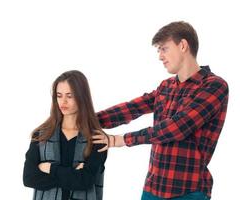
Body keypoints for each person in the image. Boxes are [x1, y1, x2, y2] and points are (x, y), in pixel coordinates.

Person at [93, 21, 229, 200]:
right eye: (158, 50)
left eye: (164, 49)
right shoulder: (166, 86)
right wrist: (88, 119)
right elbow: (133, 108)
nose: (160, 56)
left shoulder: (214, 86)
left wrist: (120, 140)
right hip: (153, 188)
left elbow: (177, 127)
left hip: (188, 191)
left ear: (182, 45)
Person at [23, 70, 107, 200]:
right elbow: (28, 178)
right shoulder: (41, 135)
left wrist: (50, 168)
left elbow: (85, 181)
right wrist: (73, 174)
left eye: (70, 96)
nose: (63, 102)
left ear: (82, 97)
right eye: (59, 95)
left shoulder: (97, 139)